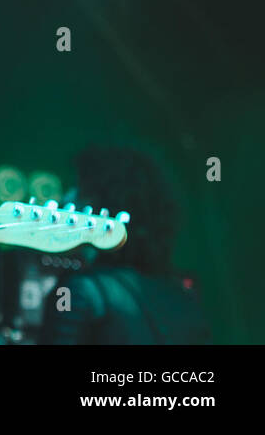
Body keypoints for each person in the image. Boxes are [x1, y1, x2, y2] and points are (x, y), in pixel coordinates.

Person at [39, 145, 211, 345]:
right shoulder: (184, 298)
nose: (66, 198)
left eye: (78, 188)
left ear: (99, 205)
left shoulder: (83, 290)